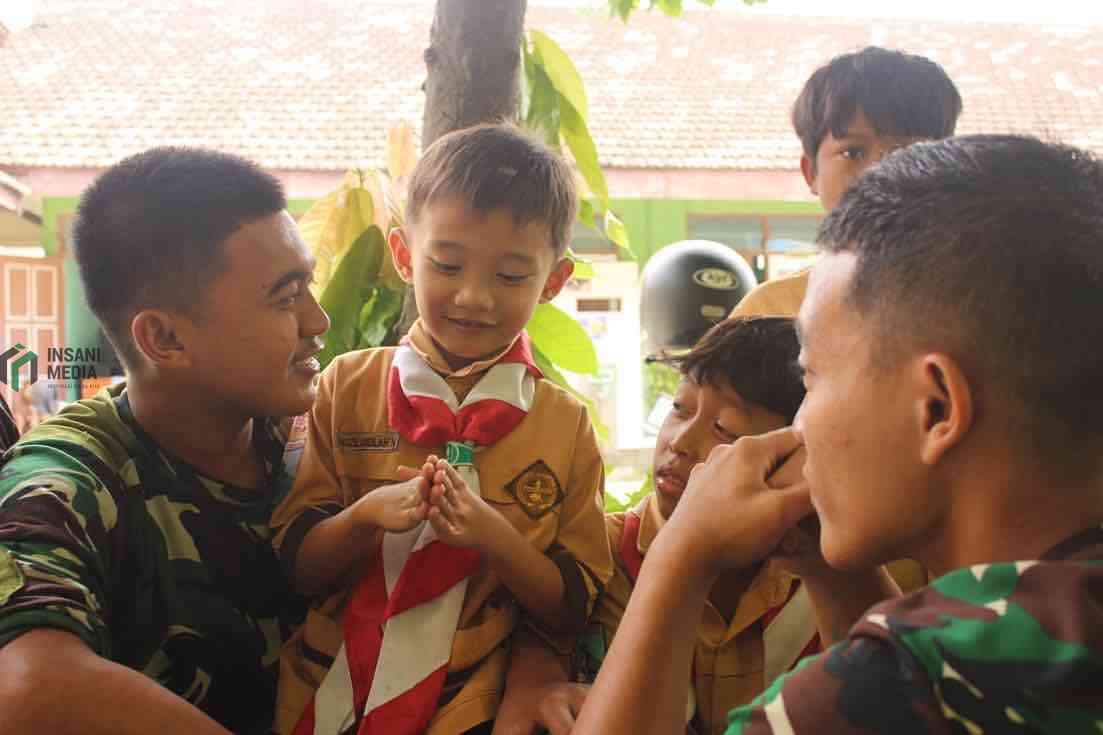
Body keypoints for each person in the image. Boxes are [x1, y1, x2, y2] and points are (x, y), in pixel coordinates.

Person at [571, 135, 1103, 733]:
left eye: (814, 377)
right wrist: (827, 563)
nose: (800, 424)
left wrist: (677, 557)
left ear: (935, 409)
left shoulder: (883, 692)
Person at [270, 123, 613, 735]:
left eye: (511, 277)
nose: (474, 297)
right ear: (405, 257)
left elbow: (572, 609)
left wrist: (495, 536)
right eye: (448, 264)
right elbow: (294, 568)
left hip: (471, 706)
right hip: (324, 693)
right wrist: (365, 515)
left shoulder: (565, 427)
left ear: (554, 282)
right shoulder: (345, 389)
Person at [0, 147, 331, 735]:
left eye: (308, 286)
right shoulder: (67, 476)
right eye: (286, 298)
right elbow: (25, 687)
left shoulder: (335, 430)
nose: (317, 321)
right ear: (165, 337)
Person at [730, 46, 962, 319]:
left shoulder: (988, 301)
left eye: (907, 150)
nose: (880, 171)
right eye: (852, 152)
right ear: (811, 173)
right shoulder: (767, 313)